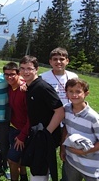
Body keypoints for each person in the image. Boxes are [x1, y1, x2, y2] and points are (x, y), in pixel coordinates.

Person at [19, 55, 64, 181]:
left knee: (39, 169)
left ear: (36, 69)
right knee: (38, 167)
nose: (25, 72)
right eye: (22, 68)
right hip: (37, 134)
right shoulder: (30, 86)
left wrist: (46, 133)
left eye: (29, 68)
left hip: (45, 135)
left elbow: (60, 111)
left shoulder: (43, 87)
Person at [40, 47, 78, 181]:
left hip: (70, 119)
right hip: (52, 119)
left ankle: (66, 177)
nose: (58, 62)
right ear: (50, 61)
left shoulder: (73, 76)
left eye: (62, 59)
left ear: (67, 61)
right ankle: (47, 174)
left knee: (67, 151)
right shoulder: (43, 77)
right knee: (49, 150)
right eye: (55, 59)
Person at [60, 78, 99, 181]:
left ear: (86, 93)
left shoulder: (93, 117)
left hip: (91, 166)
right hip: (72, 161)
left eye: (78, 91)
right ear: (66, 93)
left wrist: (84, 152)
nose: (74, 95)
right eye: (71, 91)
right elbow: (65, 128)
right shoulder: (66, 109)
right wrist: (63, 148)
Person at [3, 62, 29, 181]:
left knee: (12, 160)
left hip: (23, 132)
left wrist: (22, 136)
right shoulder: (9, 87)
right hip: (12, 128)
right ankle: (23, 178)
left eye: (12, 74)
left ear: (18, 74)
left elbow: (32, 117)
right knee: (19, 159)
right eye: (6, 74)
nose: (9, 77)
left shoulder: (25, 91)